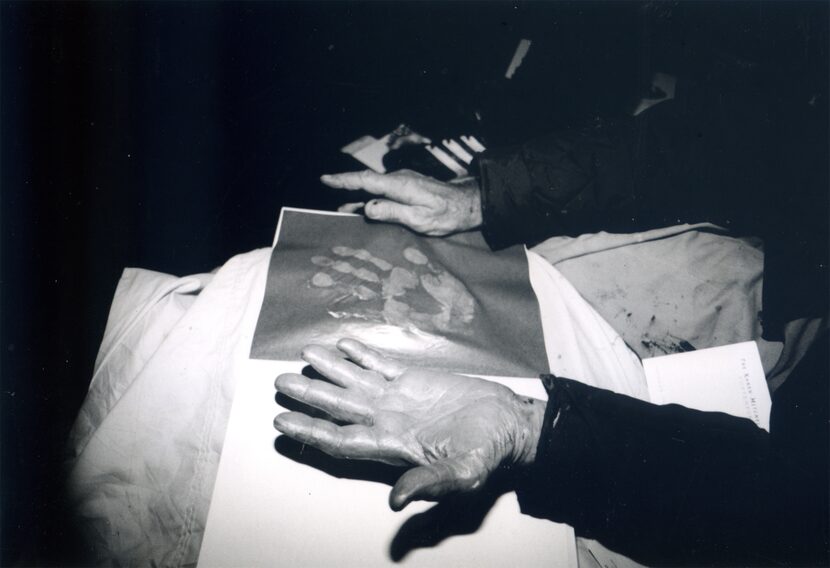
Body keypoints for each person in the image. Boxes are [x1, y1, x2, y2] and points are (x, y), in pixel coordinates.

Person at [276, 32, 828, 566]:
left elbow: (797, 506)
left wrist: (537, 434)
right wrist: (484, 198)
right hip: (787, 260)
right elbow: (734, 141)